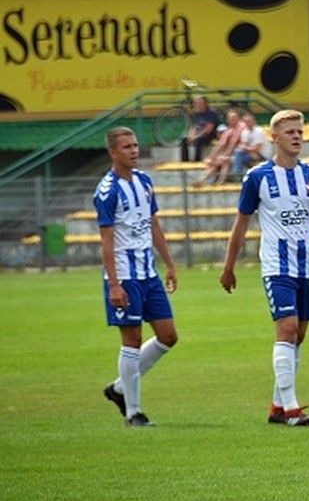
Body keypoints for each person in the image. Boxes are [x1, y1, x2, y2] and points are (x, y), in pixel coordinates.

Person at [220, 109, 309, 427]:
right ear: (275, 137)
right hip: (277, 266)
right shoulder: (257, 177)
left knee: (297, 335)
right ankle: (291, 409)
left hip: (308, 267)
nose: (297, 136)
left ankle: (276, 407)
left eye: (300, 131)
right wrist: (229, 266)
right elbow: (240, 225)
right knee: (285, 330)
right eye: (290, 132)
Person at [96, 127, 178, 427]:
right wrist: (115, 284)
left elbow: (153, 224)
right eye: (127, 147)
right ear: (113, 152)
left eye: (135, 145)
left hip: (148, 272)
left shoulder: (144, 181)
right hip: (125, 275)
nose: (134, 150)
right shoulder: (107, 190)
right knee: (132, 340)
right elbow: (106, 241)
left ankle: (118, 388)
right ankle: (134, 412)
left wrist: (168, 263)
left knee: (169, 335)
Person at [193, 109, 244, 186]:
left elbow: (233, 143)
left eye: (234, 118)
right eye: (230, 118)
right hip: (231, 155)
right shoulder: (229, 129)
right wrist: (212, 156)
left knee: (225, 161)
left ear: (238, 118)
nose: (232, 120)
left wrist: (226, 155)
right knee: (214, 162)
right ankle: (202, 180)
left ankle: (220, 182)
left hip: (240, 154)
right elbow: (221, 143)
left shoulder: (241, 127)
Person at [180, 96, 220, 162]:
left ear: (205, 104)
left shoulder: (211, 112)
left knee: (198, 140)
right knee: (184, 139)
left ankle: (197, 160)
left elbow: (208, 129)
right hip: (198, 133)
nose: (196, 105)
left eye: (199, 103)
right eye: (195, 103)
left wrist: (196, 136)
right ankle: (185, 161)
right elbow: (193, 126)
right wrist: (190, 135)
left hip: (210, 134)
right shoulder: (197, 113)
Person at [232, 112, 269, 177]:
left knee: (239, 155)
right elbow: (243, 146)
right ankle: (239, 172)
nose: (248, 123)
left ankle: (237, 172)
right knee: (237, 153)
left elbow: (256, 149)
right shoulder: (245, 132)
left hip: (262, 155)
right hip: (251, 154)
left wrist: (246, 148)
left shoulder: (258, 131)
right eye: (246, 122)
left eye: (250, 121)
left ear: (254, 121)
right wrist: (247, 149)